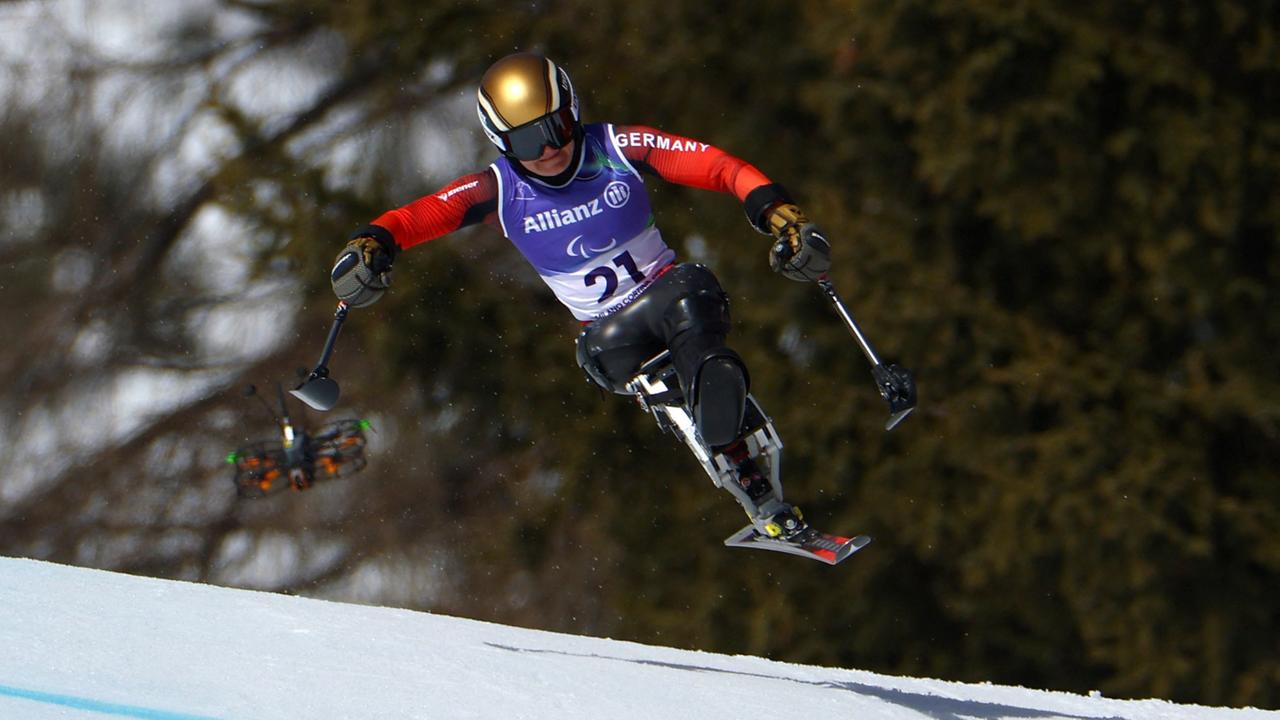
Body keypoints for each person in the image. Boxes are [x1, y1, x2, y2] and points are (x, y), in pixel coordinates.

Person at [330, 52, 831, 540]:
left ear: (574, 111)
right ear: (501, 143)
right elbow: (415, 217)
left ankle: (721, 413)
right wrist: (371, 244)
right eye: (526, 140)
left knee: (692, 293)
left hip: (672, 295)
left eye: (557, 128)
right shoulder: (499, 190)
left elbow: (719, 166)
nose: (548, 149)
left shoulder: (617, 146)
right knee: (674, 317)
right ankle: (711, 400)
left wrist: (776, 212)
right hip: (608, 340)